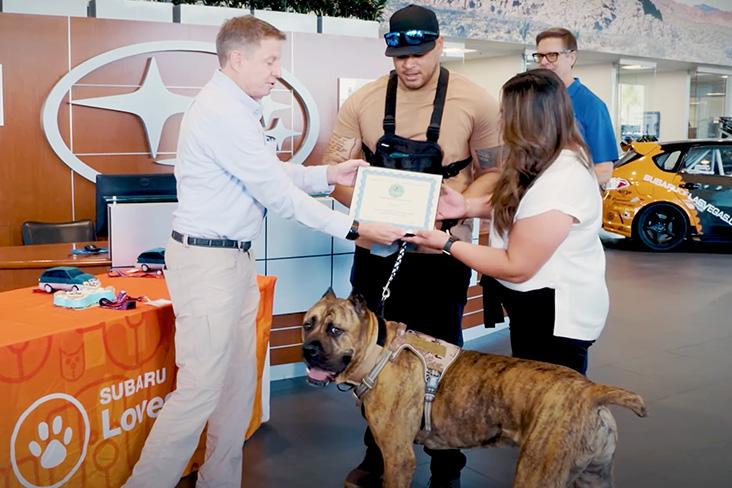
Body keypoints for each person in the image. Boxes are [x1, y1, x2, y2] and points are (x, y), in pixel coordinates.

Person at [123, 16, 404, 488]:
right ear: (237, 58)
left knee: (236, 390)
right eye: (271, 60)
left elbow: (269, 175)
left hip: (234, 260)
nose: (277, 71)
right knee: (199, 392)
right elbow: (277, 195)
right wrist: (356, 229)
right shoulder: (220, 111)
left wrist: (328, 176)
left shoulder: (236, 109)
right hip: (208, 263)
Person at [323, 5, 501, 488]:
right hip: (377, 252)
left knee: (444, 357)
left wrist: (459, 206)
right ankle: (377, 457)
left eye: (420, 54)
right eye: (400, 56)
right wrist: (364, 217)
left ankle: (448, 466)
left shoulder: (477, 101)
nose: (410, 65)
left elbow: (497, 171)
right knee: (371, 354)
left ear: (440, 46)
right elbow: (335, 172)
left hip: (442, 254)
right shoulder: (362, 101)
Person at [406, 69, 609, 377]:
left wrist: (446, 243)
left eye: (505, 115)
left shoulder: (562, 178)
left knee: (546, 407)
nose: (500, 123)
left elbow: (517, 265)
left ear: (527, 120)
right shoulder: (545, 160)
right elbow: (522, 207)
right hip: (534, 308)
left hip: (556, 316)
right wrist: (467, 205)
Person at [533, 27, 618, 185]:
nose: (543, 62)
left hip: (570, 202)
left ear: (571, 57)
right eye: (540, 56)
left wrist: (562, 188)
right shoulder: (534, 101)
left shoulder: (592, 105)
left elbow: (604, 170)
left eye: (552, 55)